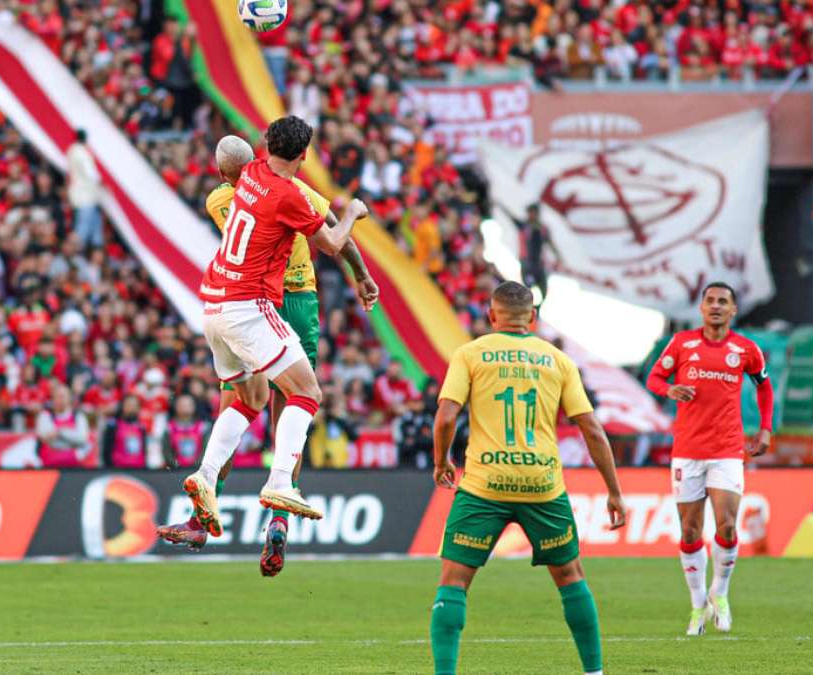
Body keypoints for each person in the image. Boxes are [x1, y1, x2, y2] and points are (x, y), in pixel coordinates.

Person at [157, 131, 378, 577]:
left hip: (223, 297)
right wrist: (362, 272)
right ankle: (279, 512)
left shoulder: (229, 192)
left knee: (242, 399)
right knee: (297, 402)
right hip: (281, 300)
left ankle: (202, 512)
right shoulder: (297, 193)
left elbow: (242, 176)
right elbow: (336, 238)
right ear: (302, 155)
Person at [430, 281, 626, 675]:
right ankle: (595, 672)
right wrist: (614, 492)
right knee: (571, 577)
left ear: (491, 315)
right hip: (542, 485)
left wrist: (442, 461)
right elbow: (592, 429)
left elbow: (447, 416)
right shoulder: (557, 360)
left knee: (453, 581)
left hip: (485, 485)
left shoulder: (470, 354)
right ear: (532, 318)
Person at [646, 282, 773, 636]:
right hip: (687, 451)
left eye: (723, 302)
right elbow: (654, 377)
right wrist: (668, 388)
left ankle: (721, 591)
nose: (715, 306)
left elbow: (764, 386)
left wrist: (765, 430)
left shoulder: (746, 349)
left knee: (727, 525)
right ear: (701, 308)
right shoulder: (681, 344)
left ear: (733, 310)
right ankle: (698, 602)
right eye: (710, 301)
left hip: (727, 451)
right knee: (689, 530)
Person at [35, 383, 92, 468]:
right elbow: (44, 437)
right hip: (48, 467)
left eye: (63, 396)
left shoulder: (78, 416)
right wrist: (71, 443)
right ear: (52, 398)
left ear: (69, 398)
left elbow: (82, 439)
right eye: (57, 396)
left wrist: (60, 432)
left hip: (73, 468)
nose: (60, 399)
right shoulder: (45, 416)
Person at [66, 128, 103, 249]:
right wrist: (100, 181)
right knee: (84, 225)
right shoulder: (81, 152)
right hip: (85, 193)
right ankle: (77, 249)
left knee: (95, 222)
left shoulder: (72, 151)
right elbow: (90, 172)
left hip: (81, 192)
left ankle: (96, 247)